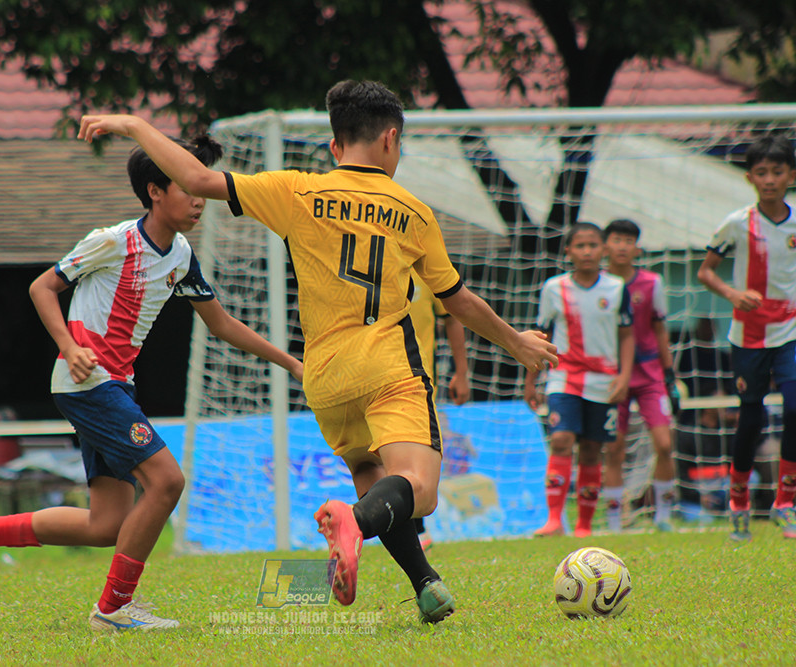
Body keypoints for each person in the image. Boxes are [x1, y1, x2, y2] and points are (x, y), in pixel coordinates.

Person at [77, 80, 557, 624]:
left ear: (335, 145)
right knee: (418, 493)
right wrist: (516, 341)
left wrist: (133, 125)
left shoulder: (296, 191)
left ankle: (426, 584)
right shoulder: (415, 212)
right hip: (389, 367)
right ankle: (352, 521)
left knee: (374, 475)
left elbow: (195, 178)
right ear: (390, 140)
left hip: (326, 379)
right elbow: (458, 301)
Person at [0, 136, 303, 631]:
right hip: (88, 384)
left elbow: (221, 325)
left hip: (115, 388)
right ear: (155, 191)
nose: (201, 199)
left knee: (107, 524)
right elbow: (41, 287)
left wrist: (292, 363)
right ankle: (113, 610)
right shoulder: (113, 240)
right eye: (188, 187)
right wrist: (69, 347)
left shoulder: (180, 256)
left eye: (203, 187)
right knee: (168, 481)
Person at [697, 133, 796, 542]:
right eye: (761, 172)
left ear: (791, 174)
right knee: (750, 419)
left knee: (795, 408)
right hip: (749, 336)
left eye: (777, 171)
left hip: (790, 331)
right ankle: (738, 500)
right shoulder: (738, 223)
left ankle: (786, 502)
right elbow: (706, 271)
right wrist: (734, 294)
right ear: (750, 178)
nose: (769, 179)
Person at [524, 222, 634, 538]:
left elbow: (627, 336)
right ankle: (555, 520)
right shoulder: (553, 288)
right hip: (564, 376)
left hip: (604, 381)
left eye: (593, 245)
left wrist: (624, 376)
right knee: (560, 440)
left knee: (591, 450)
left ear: (603, 250)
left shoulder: (615, 288)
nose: (587, 252)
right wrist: (531, 382)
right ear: (569, 251)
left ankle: (584, 525)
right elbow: (540, 337)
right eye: (580, 246)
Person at [602, 219, 680, 532]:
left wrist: (669, 375)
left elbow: (660, 329)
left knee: (663, 443)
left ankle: (662, 516)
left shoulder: (651, 283)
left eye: (628, 240)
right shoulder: (600, 284)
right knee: (614, 448)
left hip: (649, 375)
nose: (622, 246)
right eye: (616, 239)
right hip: (612, 376)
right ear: (605, 245)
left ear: (637, 248)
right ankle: (614, 521)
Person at [408, 273, 471, 550]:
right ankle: (406, 529)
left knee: (416, 455)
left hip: (419, 378)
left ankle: (417, 530)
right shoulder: (366, 258)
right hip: (373, 375)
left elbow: (452, 315)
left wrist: (461, 372)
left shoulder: (424, 265)